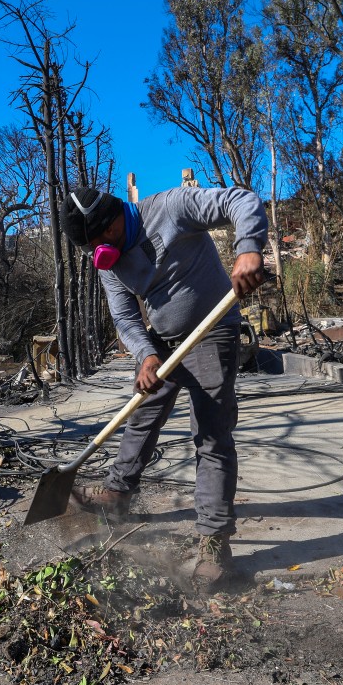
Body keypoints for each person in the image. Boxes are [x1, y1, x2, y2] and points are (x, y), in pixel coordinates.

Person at [59, 184, 269, 584]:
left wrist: (248, 248)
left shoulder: (171, 207)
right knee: (142, 414)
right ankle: (118, 495)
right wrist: (146, 356)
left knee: (211, 435)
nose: (104, 246)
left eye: (107, 234)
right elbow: (124, 317)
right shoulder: (109, 261)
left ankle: (214, 541)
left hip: (213, 332)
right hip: (162, 342)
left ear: (119, 212)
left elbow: (241, 199)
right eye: (93, 244)